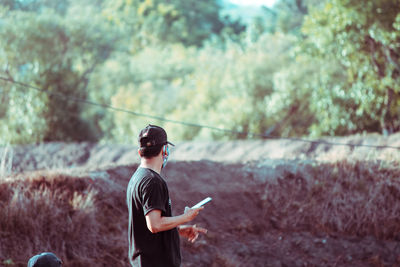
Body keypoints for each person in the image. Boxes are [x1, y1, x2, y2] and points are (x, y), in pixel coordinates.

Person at [126, 124, 207, 267]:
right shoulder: (152, 181)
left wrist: (178, 230)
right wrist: (186, 217)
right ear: (164, 150)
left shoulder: (137, 177)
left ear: (140, 152)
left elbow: (146, 226)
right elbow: (154, 225)